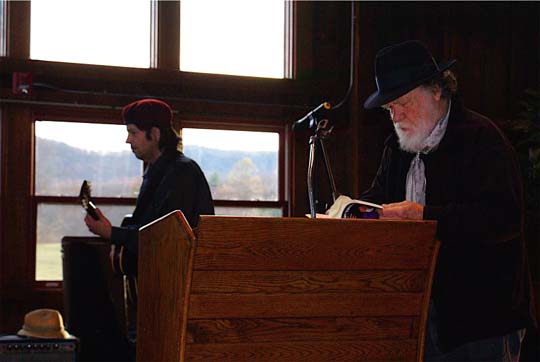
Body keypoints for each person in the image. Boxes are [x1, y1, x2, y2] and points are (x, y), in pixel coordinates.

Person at [361, 40, 536, 361]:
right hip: (419, 311)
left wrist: (425, 217)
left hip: (484, 318)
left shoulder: (483, 139)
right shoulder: (394, 148)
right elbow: (378, 200)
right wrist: (352, 212)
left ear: (437, 91)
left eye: (404, 103)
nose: (396, 116)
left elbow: (503, 219)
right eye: (390, 109)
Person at [84, 98, 215, 274]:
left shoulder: (181, 172)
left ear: (154, 134)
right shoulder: (157, 170)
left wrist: (112, 233)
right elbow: (148, 227)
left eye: (133, 132)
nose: (128, 140)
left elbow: (165, 237)